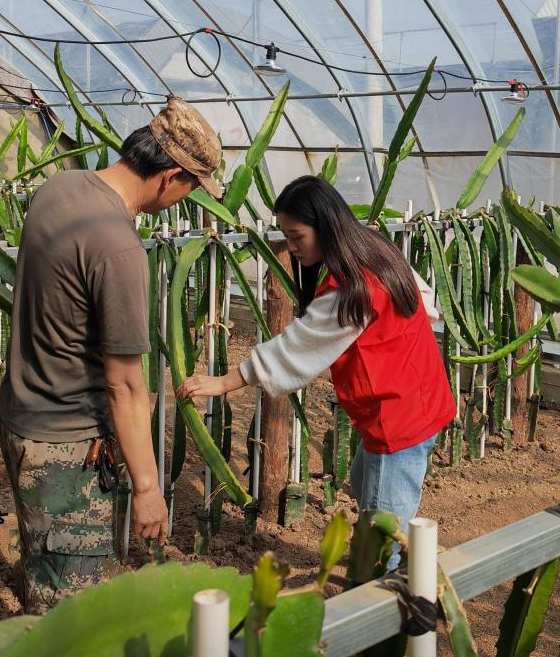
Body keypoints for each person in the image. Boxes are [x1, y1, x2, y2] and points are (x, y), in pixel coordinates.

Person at [0, 97, 224, 612]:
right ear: (170, 177)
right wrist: (147, 487)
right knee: (67, 613)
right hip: (65, 446)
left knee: (44, 564)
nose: (185, 199)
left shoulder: (60, 188)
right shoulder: (118, 247)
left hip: (21, 418)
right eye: (191, 188)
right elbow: (125, 385)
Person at [177, 176, 455, 569]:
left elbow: (295, 348)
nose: (290, 247)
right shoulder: (376, 249)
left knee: (385, 532)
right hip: (419, 399)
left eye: (297, 236)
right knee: (364, 485)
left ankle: (390, 600)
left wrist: (223, 382)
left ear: (325, 226)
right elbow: (424, 299)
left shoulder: (351, 290)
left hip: (397, 420)